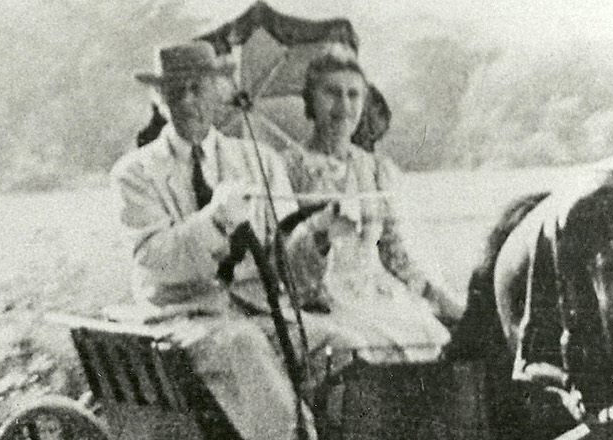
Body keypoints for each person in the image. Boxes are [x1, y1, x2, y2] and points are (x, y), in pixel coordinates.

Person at [111, 41, 363, 440]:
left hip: (260, 310)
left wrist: (319, 235)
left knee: (343, 348)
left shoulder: (260, 161)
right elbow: (153, 259)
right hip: (184, 317)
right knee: (244, 349)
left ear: (218, 92)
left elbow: (284, 260)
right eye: (177, 91)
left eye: (200, 88)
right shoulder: (136, 173)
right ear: (160, 100)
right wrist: (215, 219)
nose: (190, 101)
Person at [280, 55, 463, 363]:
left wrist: (438, 297)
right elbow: (283, 257)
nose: (344, 105)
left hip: (378, 293)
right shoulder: (289, 167)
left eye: (353, 94)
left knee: (433, 337)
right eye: (332, 93)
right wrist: (322, 236)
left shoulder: (374, 169)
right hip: (320, 298)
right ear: (311, 101)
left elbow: (393, 253)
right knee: (365, 348)